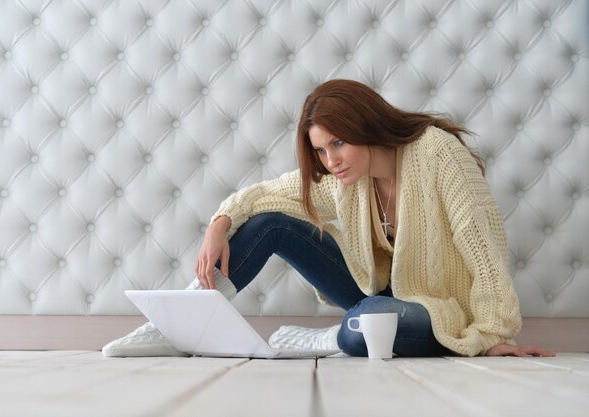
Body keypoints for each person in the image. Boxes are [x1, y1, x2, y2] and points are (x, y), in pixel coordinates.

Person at [103, 79, 554, 358]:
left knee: (371, 323)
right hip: (372, 294)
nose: (330, 160)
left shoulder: (437, 155)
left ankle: (328, 339)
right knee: (270, 224)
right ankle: (175, 326)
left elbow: (485, 248)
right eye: (320, 150)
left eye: (337, 143)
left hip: (437, 311)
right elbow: (266, 196)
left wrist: (494, 335)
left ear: (365, 124)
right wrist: (219, 224)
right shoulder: (345, 180)